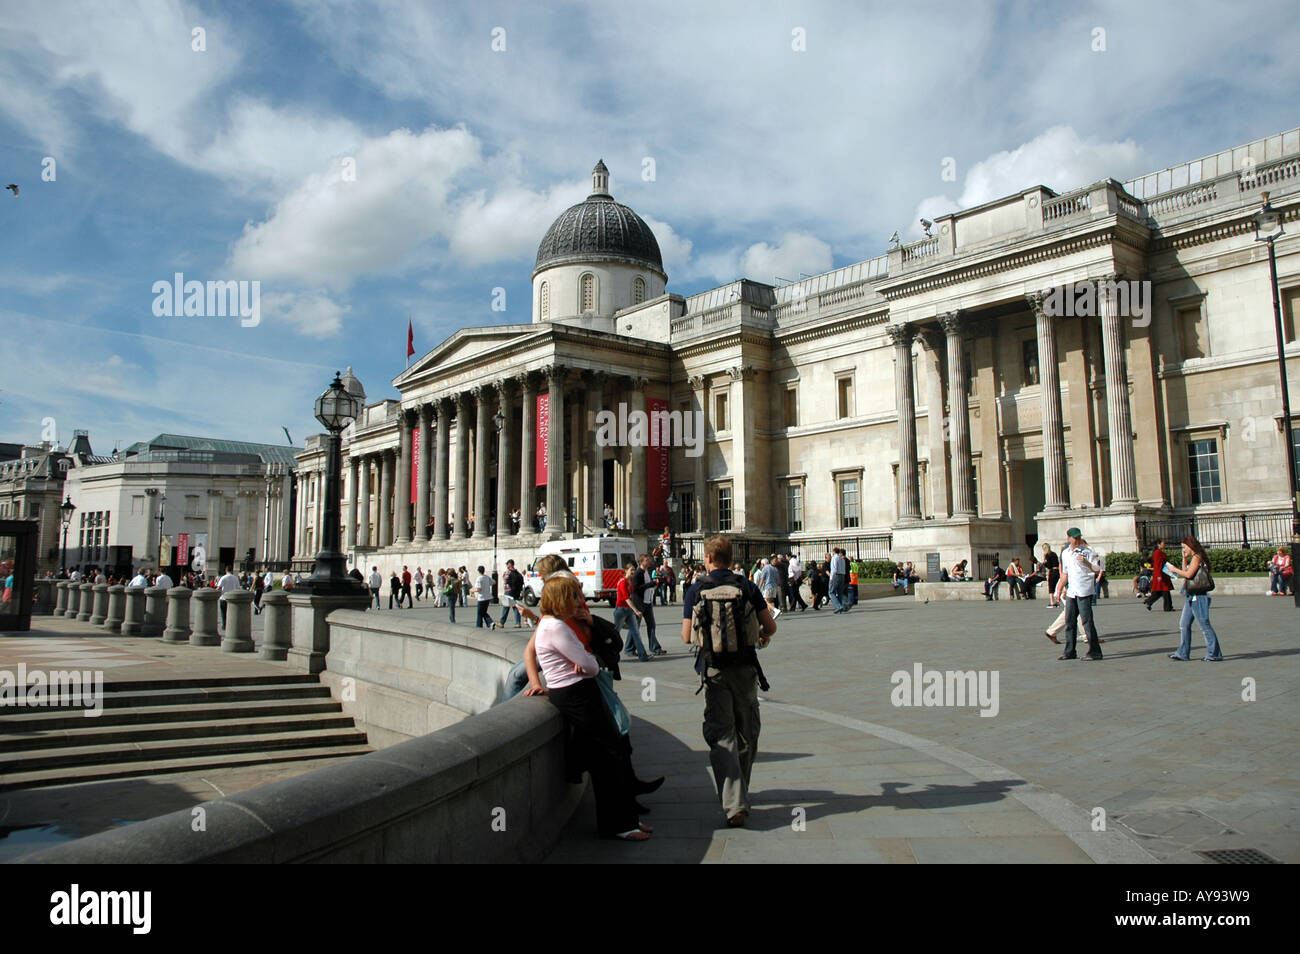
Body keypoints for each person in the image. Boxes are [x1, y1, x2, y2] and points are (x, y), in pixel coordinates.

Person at [534, 574, 650, 841]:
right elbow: (591, 666)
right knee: (609, 757)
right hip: (577, 694)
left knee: (607, 758)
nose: (577, 600)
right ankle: (620, 825)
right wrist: (587, 661)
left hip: (574, 693)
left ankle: (627, 819)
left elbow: (587, 661)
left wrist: (586, 660)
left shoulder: (553, 625)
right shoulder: (556, 627)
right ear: (558, 599)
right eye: (571, 596)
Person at [681, 535, 777, 828]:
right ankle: (740, 791)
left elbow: (686, 636)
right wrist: (759, 635)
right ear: (731, 557)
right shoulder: (745, 585)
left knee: (722, 733)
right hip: (746, 668)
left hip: (713, 670)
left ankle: (734, 802)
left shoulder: (696, 589)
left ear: (708, 559)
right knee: (747, 730)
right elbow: (770, 625)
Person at [1167, 535, 1224, 661]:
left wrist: (1173, 569)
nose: (1183, 549)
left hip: (1199, 596)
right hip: (1192, 595)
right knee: (1184, 624)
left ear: (1190, 545)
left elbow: (1188, 574)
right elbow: (1186, 573)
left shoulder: (1197, 557)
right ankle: (1183, 652)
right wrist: (1184, 559)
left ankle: (1214, 653)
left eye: (1184, 547)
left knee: (1204, 624)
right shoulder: (1193, 558)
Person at [1058, 529, 1102, 661]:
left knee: (1087, 621)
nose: (1077, 541)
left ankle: (1095, 651)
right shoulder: (1065, 553)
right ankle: (1070, 651)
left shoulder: (1088, 551)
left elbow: (1097, 569)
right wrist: (1060, 589)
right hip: (1072, 590)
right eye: (1075, 538)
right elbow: (1065, 574)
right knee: (1069, 621)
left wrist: (1086, 562)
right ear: (1069, 538)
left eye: (1079, 538)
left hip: (1084, 589)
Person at [632, 554, 667, 655]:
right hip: (640, 603)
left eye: (648, 560)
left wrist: (656, 583)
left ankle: (655, 648)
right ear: (641, 562)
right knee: (636, 626)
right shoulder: (638, 573)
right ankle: (630, 648)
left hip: (647, 602)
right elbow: (636, 588)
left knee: (651, 625)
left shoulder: (646, 572)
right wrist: (650, 584)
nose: (649, 561)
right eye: (646, 560)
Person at [615, 564, 650, 661]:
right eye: (631, 570)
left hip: (628, 611)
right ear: (626, 571)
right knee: (615, 633)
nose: (633, 572)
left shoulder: (630, 582)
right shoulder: (622, 582)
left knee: (636, 632)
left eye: (634, 570)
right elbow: (626, 598)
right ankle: (611, 654)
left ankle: (643, 656)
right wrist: (636, 610)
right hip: (621, 610)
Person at [1145, 540, 1174, 612]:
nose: (1165, 544)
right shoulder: (1157, 553)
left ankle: (1149, 601)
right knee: (1165, 590)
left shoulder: (1159, 552)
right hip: (1160, 574)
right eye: (1163, 543)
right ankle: (1168, 607)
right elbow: (1157, 565)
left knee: (1161, 591)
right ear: (1159, 544)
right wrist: (1158, 575)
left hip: (1163, 574)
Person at [499, 559, 524, 628]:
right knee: (515, 607)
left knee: (506, 607)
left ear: (509, 564)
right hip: (516, 592)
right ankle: (518, 623)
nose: (506, 566)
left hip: (508, 591)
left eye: (507, 564)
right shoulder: (517, 572)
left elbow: (505, 581)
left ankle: (502, 622)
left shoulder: (508, 572)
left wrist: (504, 575)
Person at [216, 566, 240, 632]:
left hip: (224, 598)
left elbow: (218, 588)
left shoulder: (223, 577)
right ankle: (231, 625)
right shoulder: (235, 578)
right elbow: (238, 588)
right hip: (233, 598)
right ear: (232, 571)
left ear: (226, 570)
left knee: (224, 613)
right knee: (231, 613)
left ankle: (224, 625)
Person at [829, 547, 850, 613]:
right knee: (840, 592)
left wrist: (831, 578)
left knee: (831, 592)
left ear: (834, 551)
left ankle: (838, 606)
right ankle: (840, 608)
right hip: (842, 575)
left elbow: (834, 569)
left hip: (836, 575)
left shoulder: (834, 558)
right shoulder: (842, 559)